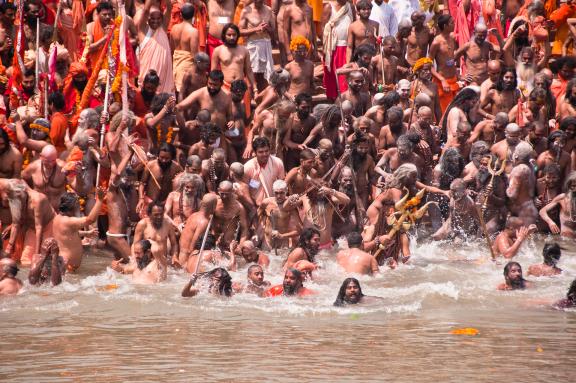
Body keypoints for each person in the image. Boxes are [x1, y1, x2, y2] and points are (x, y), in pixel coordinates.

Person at [52, 188, 106, 272]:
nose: (80, 207)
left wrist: (86, 233)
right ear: (72, 207)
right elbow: (90, 220)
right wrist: (100, 200)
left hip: (64, 265)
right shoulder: (68, 221)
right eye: (78, 205)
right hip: (67, 267)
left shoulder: (57, 218)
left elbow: (67, 234)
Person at [135, 0, 174, 94]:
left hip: (164, 78)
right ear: (147, 18)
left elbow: (169, 7)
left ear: (162, 18)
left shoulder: (163, 28)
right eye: (152, 18)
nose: (155, 21)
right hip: (146, 77)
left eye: (158, 18)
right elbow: (145, 10)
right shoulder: (143, 30)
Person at [211, 23, 257, 98]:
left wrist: (255, 89)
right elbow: (213, 72)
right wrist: (215, 88)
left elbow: (249, 71)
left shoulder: (244, 50)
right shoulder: (218, 50)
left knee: (243, 109)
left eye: (234, 35)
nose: (232, 37)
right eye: (229, 35)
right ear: (224, 35)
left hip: (241, 88)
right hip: (224, 88)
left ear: (238, 35)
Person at [238, 0, 275, 92]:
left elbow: (273, 30)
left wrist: (267, 28)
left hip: (266, 44)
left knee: (266, 75)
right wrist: (256, 29)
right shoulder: (246, 11)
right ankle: (250, 99)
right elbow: (239, 31)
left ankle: (263, 99)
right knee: (251, 74)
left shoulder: (268, 10)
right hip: (252, 46)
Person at [137, 143, 183, 216]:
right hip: (149, 202)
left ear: (172, 157)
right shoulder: (150, 165)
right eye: (161, 157)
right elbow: (142, 183)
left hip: (166, 204)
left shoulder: (177, 168)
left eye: (167, 158)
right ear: (158, 155)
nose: (164, 160)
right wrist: (141, 198)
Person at [322, 0, 354, 100]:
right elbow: (323, 27)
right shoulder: (328, 7)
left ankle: (345, 101)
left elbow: (353, 25)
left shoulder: (350, 7)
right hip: (331, 49)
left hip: (347, 48)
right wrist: (328, 42)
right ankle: (333, 103)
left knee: (344, 77)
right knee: (331, 77)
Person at [429, 14, 459, 114]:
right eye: (452, 23)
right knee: (444, 113)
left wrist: (458, 75)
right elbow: (429, 65)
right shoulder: (436, 42)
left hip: (454, 80)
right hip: (442, 83)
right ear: (445, 26)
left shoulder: (452, 38)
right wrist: (442, 80)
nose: (454, 24)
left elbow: (452, 59)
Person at [133, 201, 179, 267]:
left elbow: (174, 244)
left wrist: (175, 256)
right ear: (149, 214)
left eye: (161, 214)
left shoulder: (168, 224)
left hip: (163, 262)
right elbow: (135, 244)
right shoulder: (142, 224)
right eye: (156, 215)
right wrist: (135, 261)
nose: (159, 217)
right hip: (146, 263)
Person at [244, 137, 286, 206]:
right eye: (261, 152)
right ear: (255, 153)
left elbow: (282, 184)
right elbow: (245, 190)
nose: (264, 154)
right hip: (255, 205)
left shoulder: (278, 162)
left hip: (275, 204)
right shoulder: (248, 167)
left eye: (266, 151)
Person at [170, 4, 199, 94]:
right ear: (193, 15)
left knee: (175, 92)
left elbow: (171, 50)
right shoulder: (193, 31)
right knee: (184, 92)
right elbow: (194, 55)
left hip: (175, 63)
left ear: (181, 15)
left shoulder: (174, 28)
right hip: (187, 66)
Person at [539, 172, 576, 238]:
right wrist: (550, 222)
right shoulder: (563, 198)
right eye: (573, 186)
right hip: (565, 239)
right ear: (569, 186)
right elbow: (542, 211)